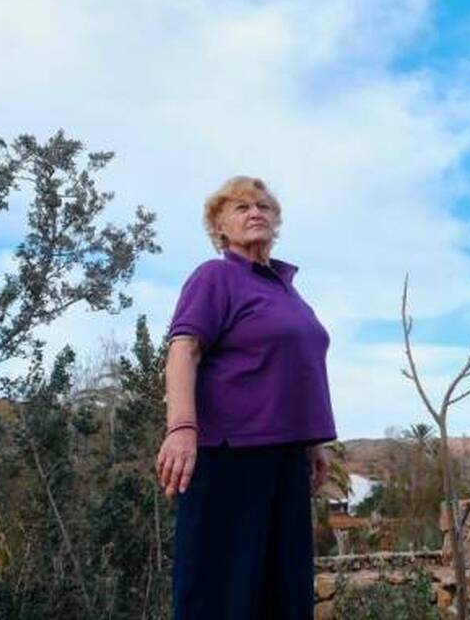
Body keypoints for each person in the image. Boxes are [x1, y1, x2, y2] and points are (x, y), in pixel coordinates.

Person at [156, 176, 336, 619]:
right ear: (220, 227)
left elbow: (292, 368)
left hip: (286, 460)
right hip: (230, 457)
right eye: (241, 207)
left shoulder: (287, 291)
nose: (255, 212)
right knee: (221, 595)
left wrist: (312, 444)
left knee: (284, 596)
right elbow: (184, 349)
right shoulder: (216, 276)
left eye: (263, 206)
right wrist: (181, 428)